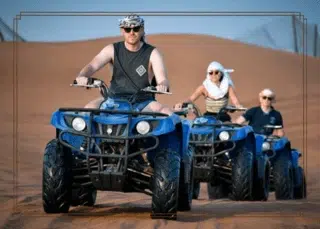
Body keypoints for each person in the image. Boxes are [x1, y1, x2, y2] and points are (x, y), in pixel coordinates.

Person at [75, 13, 173, 115]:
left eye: (136, 29)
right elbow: (92, 65)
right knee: (87, 111)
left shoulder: (153, 53)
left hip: (143, 102)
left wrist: (162, 85)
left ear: (142, 30)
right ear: (122, 31)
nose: (132, 33)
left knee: (166, 113)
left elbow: (162, 78)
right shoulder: (112, 49)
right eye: (127, 29)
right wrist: (82, 76)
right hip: (113, 100)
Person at [174, 61, 243, 122]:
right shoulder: (204, 87)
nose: (213, 75)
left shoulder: (228, 87)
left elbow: (235, 101)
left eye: (216, 72)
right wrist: (181, 104)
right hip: (209, 116)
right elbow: (191, 99)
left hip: (223, 116)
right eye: (211, 72)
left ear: (221, 73)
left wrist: (237, 106)